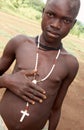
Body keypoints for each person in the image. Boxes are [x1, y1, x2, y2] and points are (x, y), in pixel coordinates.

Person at [0, 0, 80, 130]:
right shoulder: (20, 43)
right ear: (43, 12)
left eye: (65, 20)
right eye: (51, 14)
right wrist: (5, 81)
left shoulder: (70, 64)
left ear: (73, 24)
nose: (55, 25)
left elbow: (55, 108)